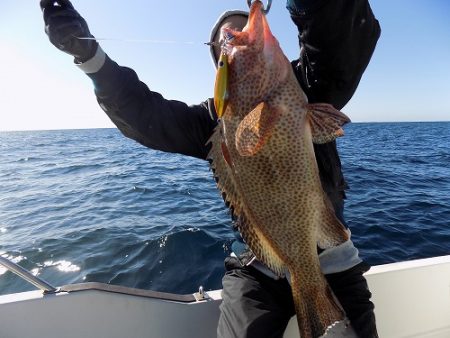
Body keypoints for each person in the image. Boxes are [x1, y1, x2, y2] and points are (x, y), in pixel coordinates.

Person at [40, 0, 381, 337]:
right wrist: (90, 57)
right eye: (226, 41)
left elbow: (337, 43)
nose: (234, 36)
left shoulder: (308, 87)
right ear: (221, 69)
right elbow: (145, 116)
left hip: (334, 259)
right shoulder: (212, 123)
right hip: (257, 266)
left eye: (239, 29)